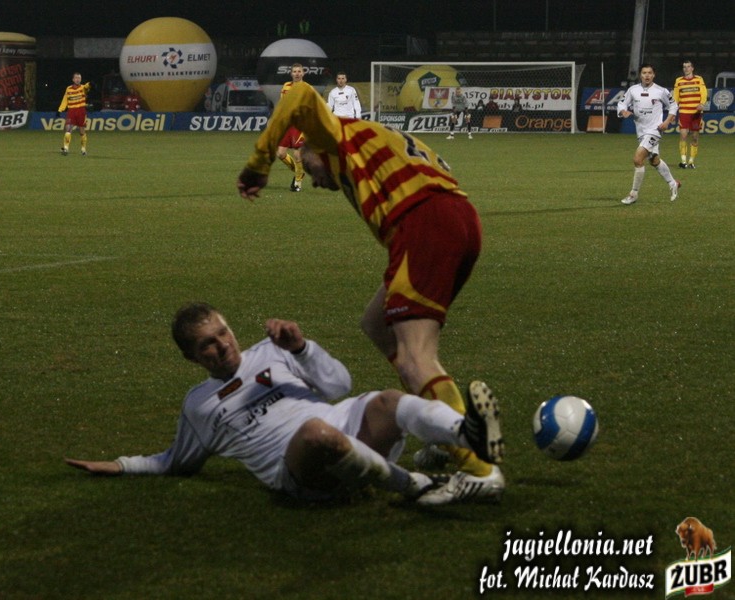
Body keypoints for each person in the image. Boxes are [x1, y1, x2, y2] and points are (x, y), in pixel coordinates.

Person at [237, 81, 505, 490]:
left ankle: (477, 467)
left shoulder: (336, 135)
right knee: (376, 324)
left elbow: (299, 95)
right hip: (458, 218)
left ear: (316, 149)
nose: (314, 180)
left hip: (424, 222)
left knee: (416, 358)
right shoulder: (373, 140)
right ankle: (443, 430)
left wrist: (259, 162)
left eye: (307, 167)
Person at [65, 303, 505, 505]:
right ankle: (418, 485)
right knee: (316, 435)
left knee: (388, 400)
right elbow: (174, 462)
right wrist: (121, 465)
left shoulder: (273, 351)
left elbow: (339, 385)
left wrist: (302, 349)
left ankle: (467, 434)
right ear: (191, 358)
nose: (222, 345)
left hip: (346, 427)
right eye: (207, 345)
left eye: (223, 333)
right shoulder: (200, 405)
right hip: (301, 471)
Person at [617, 63, 680, 205]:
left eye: (650, 73)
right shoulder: (633, 90)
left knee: (638, 159)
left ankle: (633, 194)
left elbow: (673, 105)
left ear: (654, 75)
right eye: (644, 73)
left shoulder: (661, 91)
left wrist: (667, 122)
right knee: (654, 161)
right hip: (641, 131)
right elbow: (621, 103)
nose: (647, 75)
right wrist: (623, 111)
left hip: (655, 130)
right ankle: (673, 183)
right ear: (640, 75)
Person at [277, 63, 306, 192]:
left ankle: (298, 183)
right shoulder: (286, 86)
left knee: (297, 153)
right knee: (280, 153)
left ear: (303, 73)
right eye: (294, 71)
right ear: (291, 73)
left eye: (299, 71)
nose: (297, 73)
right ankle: (299, 171)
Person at [673, 59, 707, 169]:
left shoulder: (699, 79)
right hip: (684, 112)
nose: (686, 69)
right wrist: (673, 112)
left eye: (688, 66)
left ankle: (691, 162)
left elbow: (703, 93)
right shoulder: (678, 81)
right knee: (683, 135)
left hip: (696, 113)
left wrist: (702, 104)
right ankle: (683, 161)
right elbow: (676, 97)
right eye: (684, 67)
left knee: (695, 137)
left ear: (692, 68)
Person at [58, 72, 91, 156]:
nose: (78, 79)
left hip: (81, 111)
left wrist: (90, 84)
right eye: (76, 78)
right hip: (71, 111)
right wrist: (60, 109)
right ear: (73, 79)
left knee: (82, 131)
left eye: (79, 78)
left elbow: (87, 86)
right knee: (68, 129)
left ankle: (83, 149)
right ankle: (66, 148)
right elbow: (65, 99)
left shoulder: (83, 88)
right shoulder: (68, 89)